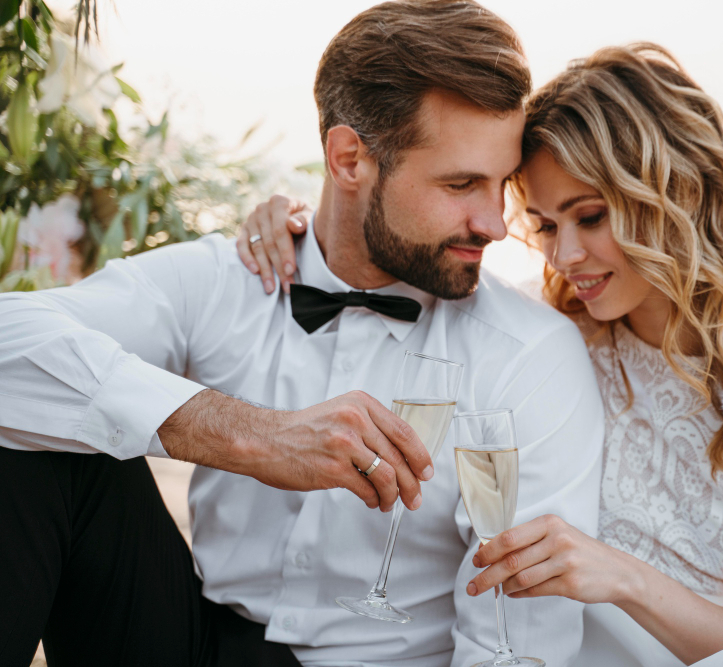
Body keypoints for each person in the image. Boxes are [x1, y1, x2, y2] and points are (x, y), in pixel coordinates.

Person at [238, 43, 723, 667]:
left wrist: (626, 580)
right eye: (542, 223)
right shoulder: (548, 342)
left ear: (674, 190)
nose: (565, 254)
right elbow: (398, 274)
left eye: (591, 216)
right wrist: (299, 224)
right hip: (555, 652)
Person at [0, 3, 605, 666]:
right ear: (349, 159)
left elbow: (514, 642)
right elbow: (13, 337)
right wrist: (245, 433)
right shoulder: (227, 278)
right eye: (461, 184)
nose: (494, 223)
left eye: (501, 184)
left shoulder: (529, 355)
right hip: (188, 638)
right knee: (33, 426)